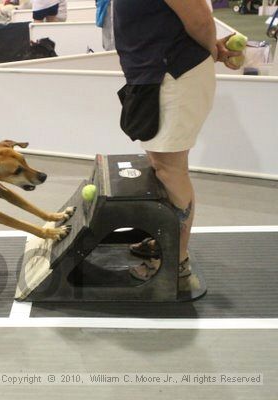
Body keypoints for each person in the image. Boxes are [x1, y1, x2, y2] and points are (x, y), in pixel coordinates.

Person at [112, 0, 242, 281]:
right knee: (163, 166)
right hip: (157, 74)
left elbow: (200, 20)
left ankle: (176, 260)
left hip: (175, 75)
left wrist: (212, 50)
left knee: (170, 170)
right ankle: (166, 241)